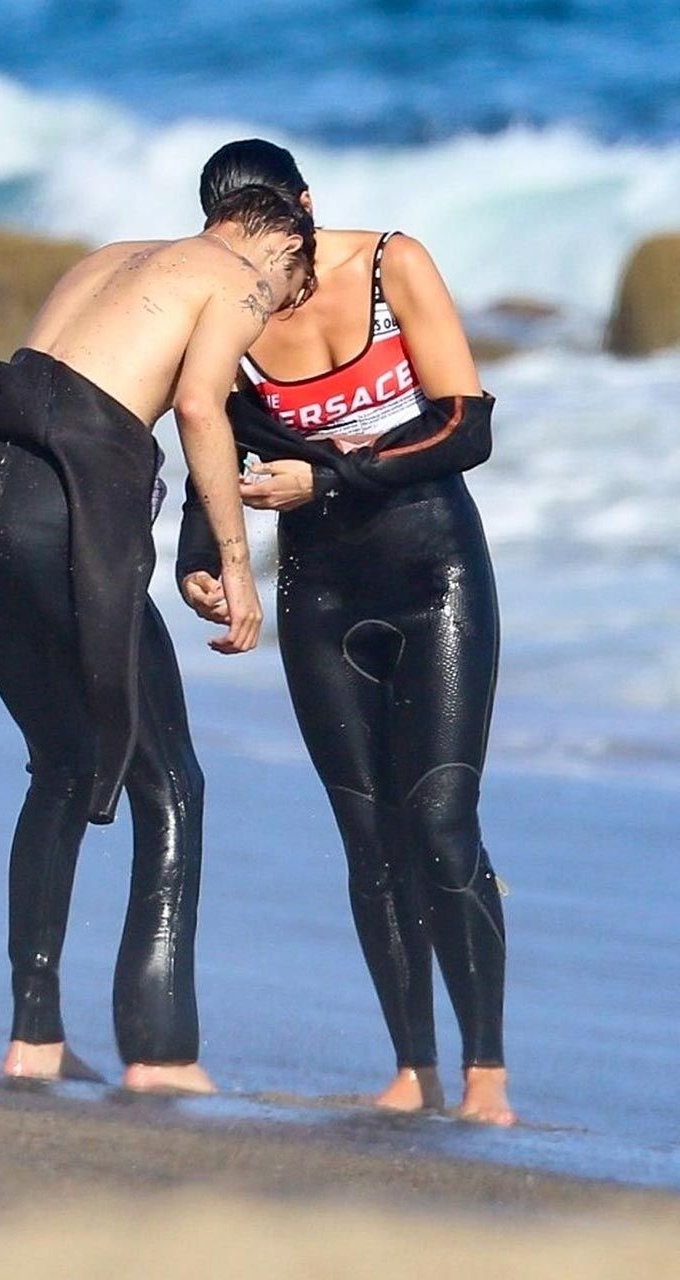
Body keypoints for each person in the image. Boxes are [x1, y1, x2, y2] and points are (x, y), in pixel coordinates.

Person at [0, 185, 316, 1091]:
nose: (279, 311)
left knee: (64, 768)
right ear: (283, 246)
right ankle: (160, 1053)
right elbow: (199, 409)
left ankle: (34, 1039)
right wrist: (237, 566)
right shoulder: (237, 277)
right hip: (61, 523)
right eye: (294, 289)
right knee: (171, 783)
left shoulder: (110, 260)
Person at [177, 140, 514, 1125]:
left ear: (305, 205)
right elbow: (213, 440)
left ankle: (485, 1072)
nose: (258, 269)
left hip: (433, 572)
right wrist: (200, 554)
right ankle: (412, 1069)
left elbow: (465, 427)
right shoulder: (229, 311)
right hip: (319, 593)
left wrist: (328, 477)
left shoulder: (388, 264)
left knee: (440, 818)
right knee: (368, 838)